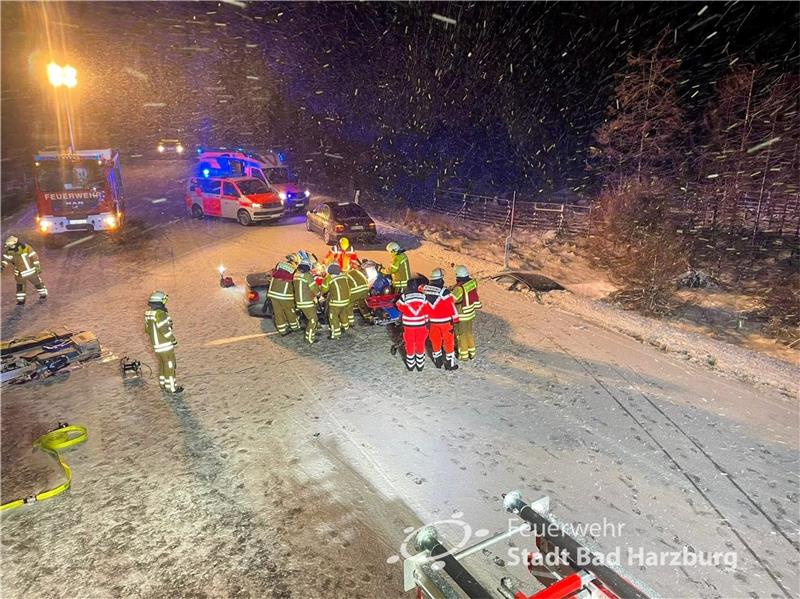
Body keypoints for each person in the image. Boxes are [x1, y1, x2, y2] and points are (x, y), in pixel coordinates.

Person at [144, 291, 183, 394]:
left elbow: (147, 330)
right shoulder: (160, 314)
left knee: (162, 364)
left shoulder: (148, 314)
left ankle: (163, 384)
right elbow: (165, 330)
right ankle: (171, 387)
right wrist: (173, 340)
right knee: (170, 365)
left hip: (156, 346)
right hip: (165, 345)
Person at [423, 268, 460, 370]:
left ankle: (438, 362)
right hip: (445, 322)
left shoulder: (425, 290)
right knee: (448, 342)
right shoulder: (444, 292)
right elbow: (451, 306)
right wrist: (455, 319)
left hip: (432, 322)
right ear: (440, 279)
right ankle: (450, 364)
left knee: (435, 341)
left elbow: (424, 306)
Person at [396, 278, 431, 371]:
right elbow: (427, 309)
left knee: (409, 343)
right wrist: (426, 321)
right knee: (420, 343)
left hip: (408, 325)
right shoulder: (423, 296)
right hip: (421, 324)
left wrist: (407, 311)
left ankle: (411, 364)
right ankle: (420, 364)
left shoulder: (404, 297)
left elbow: (399, 306)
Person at [2, 236, 48, 305]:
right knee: (20, 287)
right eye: (9, 245)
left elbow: (34, 257)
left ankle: (43, 293)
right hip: (20, 273)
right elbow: (6, 260)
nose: (10, 247)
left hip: (30, 271)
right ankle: (21, 300)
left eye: (11, 245)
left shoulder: (26, 248)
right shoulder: (9, 252)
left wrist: (37, 266)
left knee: (37, 283)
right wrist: (2, 266)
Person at [451, 265, 482, 360]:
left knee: (461, 335)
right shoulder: (472, 283)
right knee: (469, 333)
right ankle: (472, 352)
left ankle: (463, 355)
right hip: (470, 312)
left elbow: (452, 299)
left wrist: (450, 291)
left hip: (462, 314)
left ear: (457, 276)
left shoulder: (459, 288)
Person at [268, 261, 299, 335]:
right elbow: (295, 287)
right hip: (285, 296)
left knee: (278, 313)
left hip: (272, 295)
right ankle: (295, 327)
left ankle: (282, 330)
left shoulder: (275, 274)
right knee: (290, 311)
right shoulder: (289, 276)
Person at [321, 263, 351, 340]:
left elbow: (324, 290)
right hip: (347, 300)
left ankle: (335, 335)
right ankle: (346, 327)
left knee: (333, 317)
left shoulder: (329, 278)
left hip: (336, 302)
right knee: (343, 313)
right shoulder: (344, 275)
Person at [293, 259, 319, 344]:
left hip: (299, 301)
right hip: (306, 301)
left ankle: (310, 333)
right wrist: (319, 293)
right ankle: (310, 338)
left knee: (309, 318)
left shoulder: (296, 274)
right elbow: (314, 288)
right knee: (313, 319)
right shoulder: (307, 275)